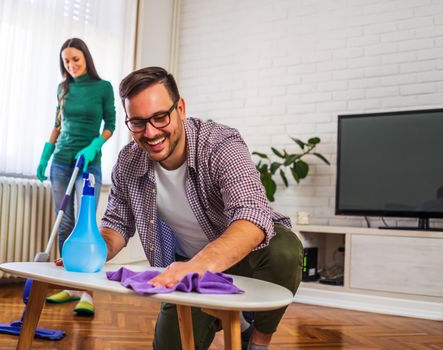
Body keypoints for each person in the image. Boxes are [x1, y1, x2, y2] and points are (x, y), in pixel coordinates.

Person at [99, 66, 303, 350]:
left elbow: (252, 216)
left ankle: (256, 340)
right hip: (187, 265)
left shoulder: (220, 144)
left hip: (238, 260)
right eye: (138, 123)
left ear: (180, 108)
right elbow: (116, 225)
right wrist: (92, 250)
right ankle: (232, 317)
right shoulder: (129, 161)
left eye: (160, 117)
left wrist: (196, 268)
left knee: (285, 250)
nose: (151, 132)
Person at [36, 37, 116, 316]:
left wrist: (95, 144)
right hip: (62, 161)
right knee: (64, 220)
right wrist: (46, 154)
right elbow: (57, 124)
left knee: (86, 222)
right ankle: (68, 285)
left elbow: (112, 123)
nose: (70, 65)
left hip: (89, 161)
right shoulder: (63, 88)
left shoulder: (103, 88)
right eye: (66, 61)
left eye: (75, 60)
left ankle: (88, 292)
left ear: (86, 59)